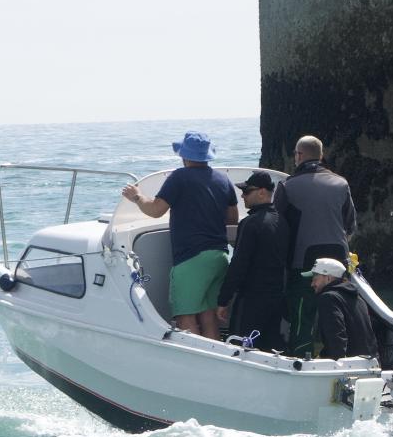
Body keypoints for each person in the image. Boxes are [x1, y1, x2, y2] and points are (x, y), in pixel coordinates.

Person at [120, 130, 238, 339]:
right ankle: (214, 361)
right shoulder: (222, 179)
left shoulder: (179, 177)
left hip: (192, 259)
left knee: (186, 317)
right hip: (219, 256)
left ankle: (195, 363)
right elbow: (232, 219)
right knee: (208, 315)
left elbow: (155, 210)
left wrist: (136, 196)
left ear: (184, 156)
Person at [274, 135, 356, 352]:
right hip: (339, 264)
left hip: (304, 266)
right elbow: (350, 227)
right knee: (339, 314)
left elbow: (276, 230)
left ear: (299, 156)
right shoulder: (341, 184)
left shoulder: (287, 186)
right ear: (321, 156)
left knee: (302, 319)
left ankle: (301, 358)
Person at [217, 170, 289, 351]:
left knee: (242, 347)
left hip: (252, 298)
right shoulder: (282, 222)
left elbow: (239, 265)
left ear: (262, 192)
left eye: (247, 191)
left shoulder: (251, 224)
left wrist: (223, 300)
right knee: (271, 348)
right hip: (277, 296)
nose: (242, 196)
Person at [306, 257, 377, 359]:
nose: (312, 284)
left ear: (328, 278)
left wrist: (334, 365)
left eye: (315, 279)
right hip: (370, 363)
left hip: (347, 369)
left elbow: (336, 339)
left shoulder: (328, 298)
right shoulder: (358, 299)